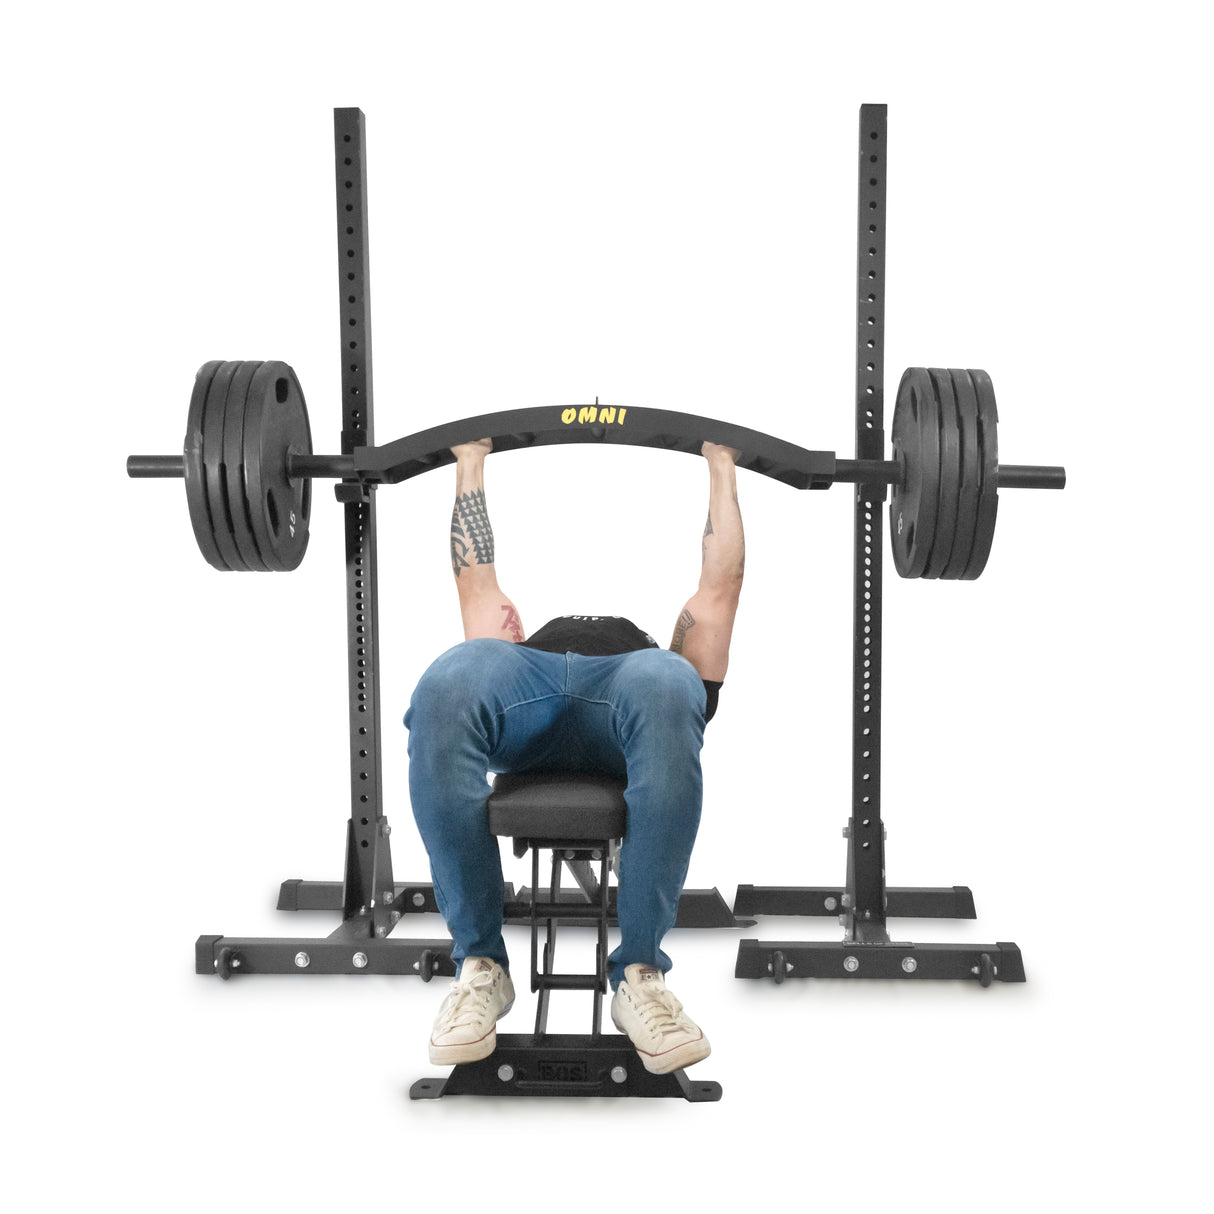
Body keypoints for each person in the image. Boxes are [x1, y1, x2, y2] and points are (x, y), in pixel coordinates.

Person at [404, 436, 744, 1075]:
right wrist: (470, 460)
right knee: (447, 684)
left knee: (672, 683)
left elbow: (718, 586)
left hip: (629, 698)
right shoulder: (510, 648)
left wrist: (721, 466)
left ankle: (641, 977)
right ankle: (480, 969)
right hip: (524, 690)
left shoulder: (660, 667)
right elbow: (474, 575)